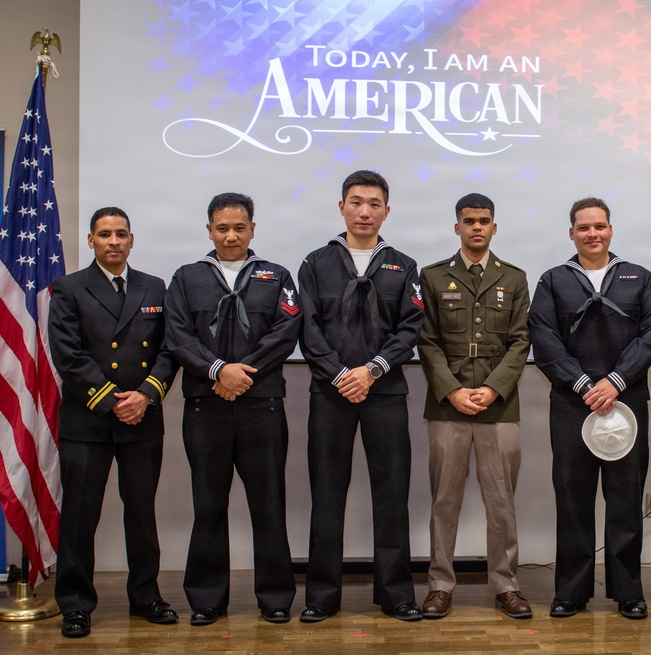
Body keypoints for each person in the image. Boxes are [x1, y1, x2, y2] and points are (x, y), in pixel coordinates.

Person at [164, 192, 299, 626]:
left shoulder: (277, 276)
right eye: (222, 228)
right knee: (208, 505)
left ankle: (275, 597)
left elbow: (286, 332)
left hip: (262, 405)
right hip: (206, 406)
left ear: (252, 229)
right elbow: (178, 335)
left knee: (268, 504)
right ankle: (207, 599)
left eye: (239, 227)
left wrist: (243, 374)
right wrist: (218, 371)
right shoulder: (186, 278)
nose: (231, 236)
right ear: (209, 230)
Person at [298, 170, 425, 622]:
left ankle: (397, 595)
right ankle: (320, 597)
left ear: (386, 211)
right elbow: (308, 329)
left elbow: (410, 329)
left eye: (374, 204)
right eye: (356, 202)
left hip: (385, 391)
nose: (364, 211)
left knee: (392, 495)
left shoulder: (403, 266)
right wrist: (340, 375)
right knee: (327, 494)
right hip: (330, 393)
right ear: (342, 207)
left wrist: (371, 371)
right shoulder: (315, 264)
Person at [529, 197, 651, 620]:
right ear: (571, 233)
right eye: (584, 227)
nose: (593, 234)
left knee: (625, 500)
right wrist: (584, 384)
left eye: (600, 226)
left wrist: (617, 380)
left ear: (610, 230)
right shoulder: (553, 281)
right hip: (573, 404)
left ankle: (629, 592)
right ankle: (571, 592)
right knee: (573, 499)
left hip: (627, 403)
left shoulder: (639, 277)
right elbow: (544, 338)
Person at [49, 207, 179, 638]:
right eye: (104, 234)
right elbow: (67, 354)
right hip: (88, 421)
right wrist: (111, 401)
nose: (113, 241)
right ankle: (75, 605)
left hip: (141, 417)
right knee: (80, 517)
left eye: (121, 234)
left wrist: (146, 395)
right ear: (91, 240)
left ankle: (145, 597)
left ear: (131, 240)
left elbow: (168, 349)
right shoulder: (69, 288)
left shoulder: (154, 286)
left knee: (141, 514)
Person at [417, 193, 532, 619]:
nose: (477, 227)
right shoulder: (433, 277)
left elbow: (520, 341)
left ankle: (506, 585)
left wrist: (494, 388)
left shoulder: (514, 278)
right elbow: (427, 341)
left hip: (498, 406)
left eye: (484, 221)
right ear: (457, 227)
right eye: (469, 221)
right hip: (447, 406)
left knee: (501, 502)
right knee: (443, 502)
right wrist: (451, 390)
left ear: (494, 227)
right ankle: (439, 585)